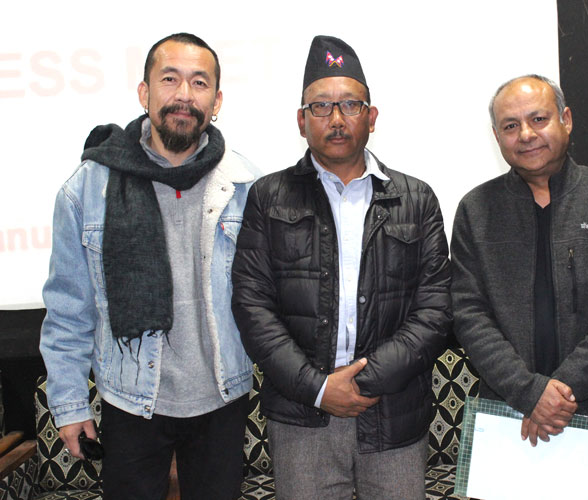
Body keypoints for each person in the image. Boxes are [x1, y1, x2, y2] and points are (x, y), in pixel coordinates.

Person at [39, 33, 262, 500]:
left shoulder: (246, 186)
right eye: (169, 79)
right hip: (130, 398)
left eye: (199, 82)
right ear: (144, 92)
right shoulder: (87, 189)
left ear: (217, 100)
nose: (184, 94)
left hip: (221, 398)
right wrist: (70, 404)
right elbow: (68, 309)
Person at [231, 35, 451, 500]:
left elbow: (435, 309)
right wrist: (318, 388)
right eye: (321, 106)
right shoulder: (269, 197)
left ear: (372, 117)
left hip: (392, 412)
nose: (336, 119)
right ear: (301, 120)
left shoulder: (416, 199)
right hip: (302, 416)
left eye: (350, 105)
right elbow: (252, 305)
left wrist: (364, 381)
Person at [451, 74, 588, 500]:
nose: (526, 134)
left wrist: (558, 393)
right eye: (510, 126)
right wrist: (530, 394)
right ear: (497, 137)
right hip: (507, 418)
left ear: (566, 119)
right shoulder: (475, 210)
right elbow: (469, 315)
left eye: (538, 119)